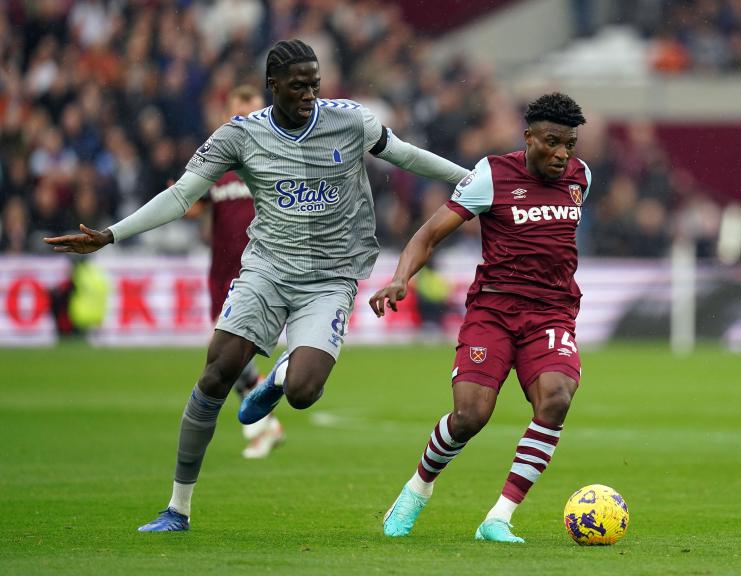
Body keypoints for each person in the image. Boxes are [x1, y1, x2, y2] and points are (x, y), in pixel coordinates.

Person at [44, 39, 469, 532]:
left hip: (330, 277)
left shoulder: (350, 120)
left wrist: (478, 185)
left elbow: (410, 157)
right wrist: (113, 234)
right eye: (298, 86)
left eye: (314, 84)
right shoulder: (239, 136)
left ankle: (279, 379)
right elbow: (183, 195)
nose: (310, 94)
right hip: (266, 271)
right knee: (215, 374)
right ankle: (177, 509)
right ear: (273, 87)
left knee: (306, 391)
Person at [369, 92, 590, 543]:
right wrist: (399, 279)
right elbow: (429, 233)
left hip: (551, 314)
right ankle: (417, 488)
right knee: (470, 414)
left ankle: (499, 517)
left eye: (570, 144)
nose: (562, 154)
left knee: (557, 398)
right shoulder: (492, 175)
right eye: (552, 141)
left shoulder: (580, 177)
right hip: (493, 311)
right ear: (528, 138)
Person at [194, 84, 285, 459]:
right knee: (226, 360)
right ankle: (266, 421)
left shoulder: (275, 158)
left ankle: (265, 423)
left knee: (227, 360)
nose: (246, 115)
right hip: (222, 274)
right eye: (239, 108)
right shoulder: (215, 161)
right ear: (227, 112)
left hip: (264, 273)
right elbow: (196, 211)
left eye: (253, 109)